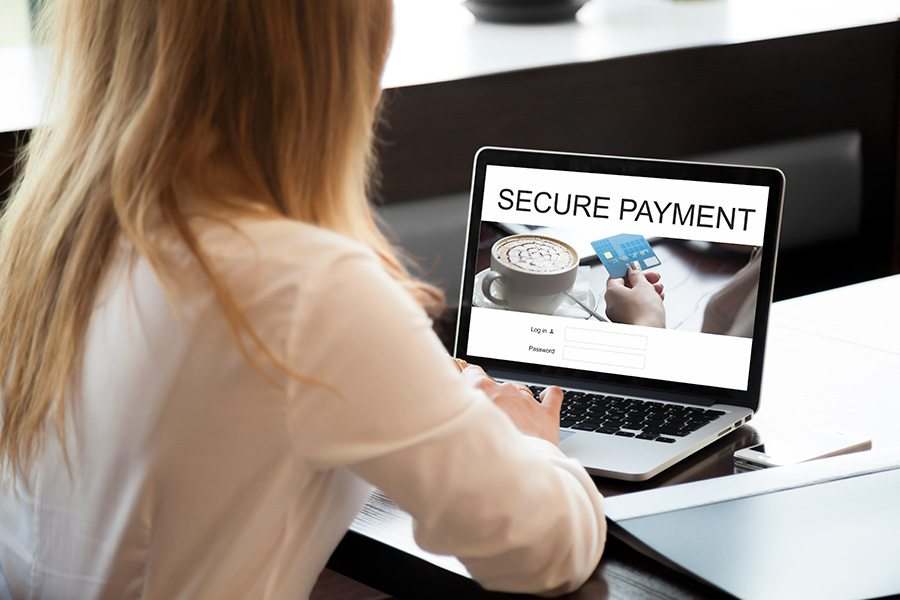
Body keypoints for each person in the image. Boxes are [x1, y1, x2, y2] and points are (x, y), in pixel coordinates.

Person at [0, 2, 605, 598]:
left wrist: (419, 404)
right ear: (334, 64)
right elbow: (540, 550)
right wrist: (525, 444)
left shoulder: (49, 242)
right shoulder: (303, 288)